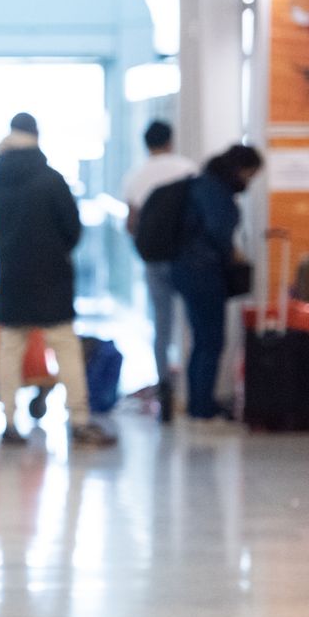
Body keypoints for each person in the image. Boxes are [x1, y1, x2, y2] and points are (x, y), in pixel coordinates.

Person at [0, 113, 114, 447]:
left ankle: (10, 423)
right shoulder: (51, 179)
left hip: (12, 274)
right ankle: (79, 421)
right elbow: (72, 229)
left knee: (10, 350)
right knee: (65, 348)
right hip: (51, 277)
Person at [173, 145, 262, 421]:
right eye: (250, 173)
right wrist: (232, 253)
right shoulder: (215, 191)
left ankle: (197, 402)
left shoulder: (201, 185)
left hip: (188, 270)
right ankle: (202, 406)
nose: (249, 180)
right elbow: (217, 230)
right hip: (204, 273)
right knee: (211, 339)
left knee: (201, 339)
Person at [121, 120, 197, 421]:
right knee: (192, 321)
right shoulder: (187, 168)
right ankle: (193, 389)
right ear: (171, 140)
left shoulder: (135, 176)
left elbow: (131, 224)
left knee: (162, 323)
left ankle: (164, 384)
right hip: (187, 257)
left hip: (154, 259)